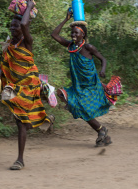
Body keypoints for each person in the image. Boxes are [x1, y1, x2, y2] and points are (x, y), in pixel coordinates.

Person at [51, 9, 120, 147]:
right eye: (72, 32)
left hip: (91, 85)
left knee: (81, 108)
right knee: (66, 98)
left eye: (76, 32)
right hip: (78, 85)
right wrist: (65, 19)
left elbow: (103, 59)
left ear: (83, 34)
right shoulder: (70, 45)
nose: (73, 35)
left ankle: (101, 131)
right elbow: (54, 34)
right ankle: (101, 131)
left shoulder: (88, 47)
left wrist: (103, 70)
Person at [0, 0, 53, 170]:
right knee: (19, 119)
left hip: (29, 85)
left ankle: (20, 160)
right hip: (14, 85)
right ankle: (43, 120)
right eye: (11, 26)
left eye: (16, 26)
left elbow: (24, 25)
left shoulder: (27, 41)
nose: (13, 27)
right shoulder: (9, 43)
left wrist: (29, 6)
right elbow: (4, 62)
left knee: (20, 122)